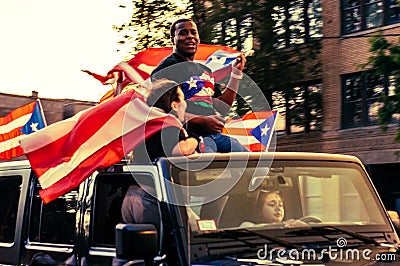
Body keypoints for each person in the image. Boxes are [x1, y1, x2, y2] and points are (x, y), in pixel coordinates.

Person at [151, 18, 249, 153]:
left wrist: (236, 74)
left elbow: (222, 106)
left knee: (254, 165)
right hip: (188, 141)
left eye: (193, 32)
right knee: (213, 171)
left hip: (215, 137)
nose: (190, 36)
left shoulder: (205, 70)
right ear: (173, 39)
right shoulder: (166, 69)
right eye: (183, 33)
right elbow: (161, 110)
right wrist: (200, 121)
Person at [240, 191, 309, 228]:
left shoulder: (292, 225)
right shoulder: (248, 226)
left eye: (281, 205)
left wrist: (306, 228)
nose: (278, 208)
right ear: (260, 210)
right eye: (272, 205)